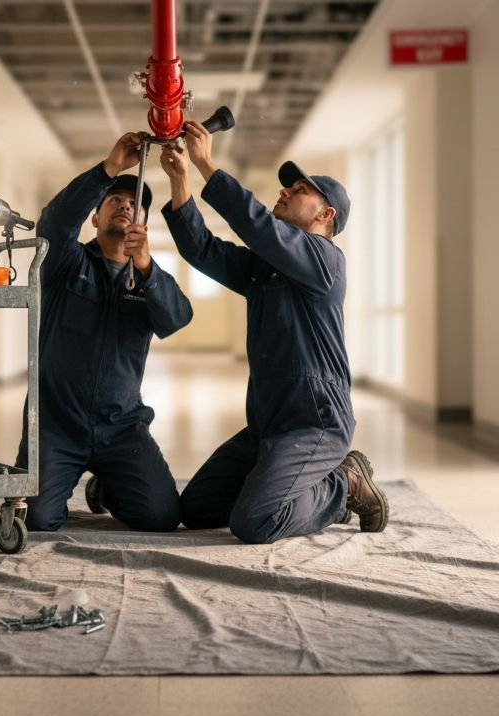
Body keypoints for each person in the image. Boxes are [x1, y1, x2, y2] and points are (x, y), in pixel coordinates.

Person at [157, 120, 389, 544]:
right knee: (197, 509)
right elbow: (203, 249)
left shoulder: (325, 260)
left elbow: (259, 227)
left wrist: (206, 164)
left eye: (299, 190)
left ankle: (344, 484)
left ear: (325, 215)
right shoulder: (267, 268)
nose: (284, 191)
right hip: (267, 424)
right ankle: (286, 482)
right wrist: (180, 179)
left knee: (255, 521)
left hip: (315, 423)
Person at [15, 132, 193, 532]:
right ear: (95, 217)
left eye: (135, 204)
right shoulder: (66, 263)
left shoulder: (148, 279)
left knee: (161, 517)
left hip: (121, 427)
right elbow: (54, 223)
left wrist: (147, 268)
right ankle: (71, 475)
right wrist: (109, 168)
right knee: (38, 519)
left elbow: (178, 318)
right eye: (115, 200)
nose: (126, 206)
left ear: (143, 223)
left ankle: (108, 487)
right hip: (56, 425)